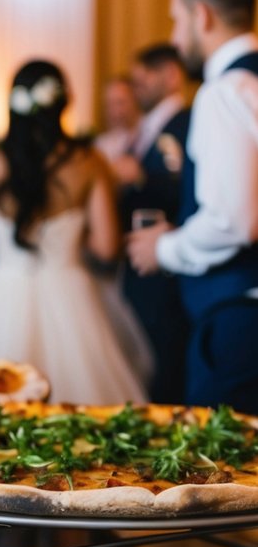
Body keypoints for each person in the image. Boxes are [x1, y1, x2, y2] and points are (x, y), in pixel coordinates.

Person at [0, 60, 146, 404]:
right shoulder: (91, 163)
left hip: (3, 292)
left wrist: (7, 251)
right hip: (70, 291)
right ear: (63, 102)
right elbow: (106, 247)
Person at [127, 0, 258, 412]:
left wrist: (163, 249)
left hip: (240, 318)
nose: (174, 37)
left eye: (176, 20)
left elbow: (233, 220)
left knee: (223, 473)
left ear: (202, 15)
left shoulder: (225, 92)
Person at [115, 43, 191, 402]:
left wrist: (142, 176)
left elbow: (189, 187)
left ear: (171, 75)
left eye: (145, 78)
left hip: (167, 263)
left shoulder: (184, 122)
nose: (137, 85)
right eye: (135, 79)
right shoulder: (145, 127)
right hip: (138, 258)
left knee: (168, 359)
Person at [94, 74, 140, 164]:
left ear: (135, 100)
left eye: (120, 103)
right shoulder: (100, 145)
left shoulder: (147, 138)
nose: (115, 112)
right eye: (109, 104)